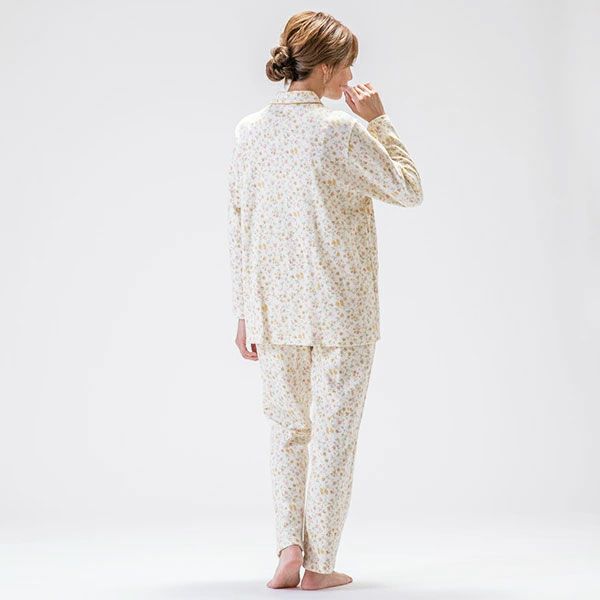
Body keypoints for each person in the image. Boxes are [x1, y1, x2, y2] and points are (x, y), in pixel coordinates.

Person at [227, 10, 423, 591]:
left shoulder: (249, 131)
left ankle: (288, 547)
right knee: (334, 434)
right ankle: (319, 566)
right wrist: (379, 120)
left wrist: (244, 310)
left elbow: (240, 223)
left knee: (288, 430)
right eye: (348, 66)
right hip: (342, 307)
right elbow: (409, 189)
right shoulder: (342, 130)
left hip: (274, 307)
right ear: (328, 67)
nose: (352, 77)